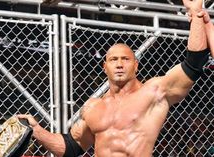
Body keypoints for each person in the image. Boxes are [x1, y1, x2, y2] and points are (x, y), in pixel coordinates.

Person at [17, 0, 210, 156]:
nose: (119, 64)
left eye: (125, 59)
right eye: (113, 59)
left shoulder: (154, 91)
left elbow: (193, 64)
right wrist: (37, 130)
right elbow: (71, 147)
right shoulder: (93, 106)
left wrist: (196, 15)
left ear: (136, 65)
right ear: (105, 67)